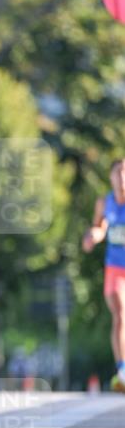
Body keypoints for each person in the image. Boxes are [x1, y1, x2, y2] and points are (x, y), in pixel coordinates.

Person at [82, 156, 125, 392]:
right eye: (118, 172)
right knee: (119, 313)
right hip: (115, 268)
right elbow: (99, 227)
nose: (122, 177)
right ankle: (123, 371)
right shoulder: (105, 202)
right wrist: (93, 236)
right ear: (111, 177)